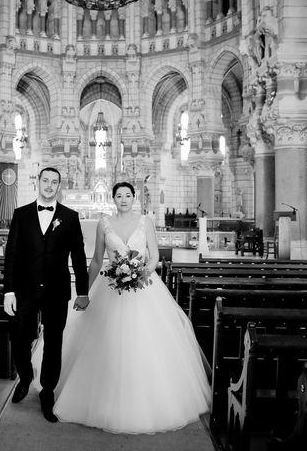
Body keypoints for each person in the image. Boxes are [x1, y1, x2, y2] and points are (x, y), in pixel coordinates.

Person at [36, 181, 211, 434]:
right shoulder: (104, 224)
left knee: (146, 343)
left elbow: (154, 257)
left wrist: (141, 273)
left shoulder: (146, 221)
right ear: (113, 199)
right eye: (119, 195)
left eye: (128, 195)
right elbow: (97, 260)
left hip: (144, 288)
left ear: (134, 197)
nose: (124, 199)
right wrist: (84, 292)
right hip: (110, 288)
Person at [3, 167, 89, 423]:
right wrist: (8, 290)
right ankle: (26, 377)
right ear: (37, 183)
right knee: (19, 338)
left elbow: (79, 256)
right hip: (24, 289)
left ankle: (47, 392)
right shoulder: (21, 214)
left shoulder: (70, 217)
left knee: (54, 343)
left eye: (54, 182)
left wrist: (82, 291)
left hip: (56, 289)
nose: (49, 186)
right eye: (46, 181)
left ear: (59, 186)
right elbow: (12, 256)